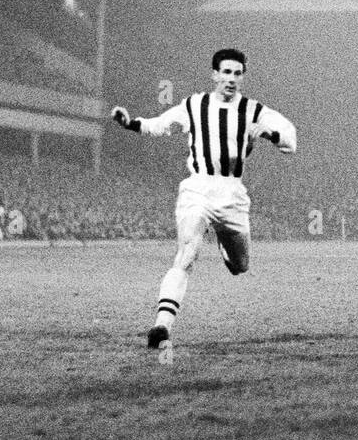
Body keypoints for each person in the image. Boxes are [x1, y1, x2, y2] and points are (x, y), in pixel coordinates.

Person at [110, 48, 297, 349]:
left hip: (233, 195)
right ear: (214, 74)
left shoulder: (254, 110)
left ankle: (225, 242)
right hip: (197, 189)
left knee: (241, 266)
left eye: (237, 73)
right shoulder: (195, 104)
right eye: (226, 72)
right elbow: (160, 124)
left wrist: (271, 134)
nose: (231, 79)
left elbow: (291, 138)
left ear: (242, 77)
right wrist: (130, 123)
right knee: (186, 254)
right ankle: (162, 326)